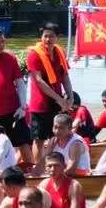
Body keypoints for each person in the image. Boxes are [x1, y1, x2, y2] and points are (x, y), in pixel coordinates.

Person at [25, 25, 72, 167]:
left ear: (57, 38)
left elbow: (65, 76)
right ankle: (37, 167)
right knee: (39, 139)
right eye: (45, 36)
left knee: (56, 136)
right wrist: (59, 98)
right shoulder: (34, 54)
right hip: (40, 104)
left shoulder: (60, 52)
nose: (48, 39)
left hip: (57, 103)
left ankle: (55, 165)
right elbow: (39, 81)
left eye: (51, 36)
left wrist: (70, 96)